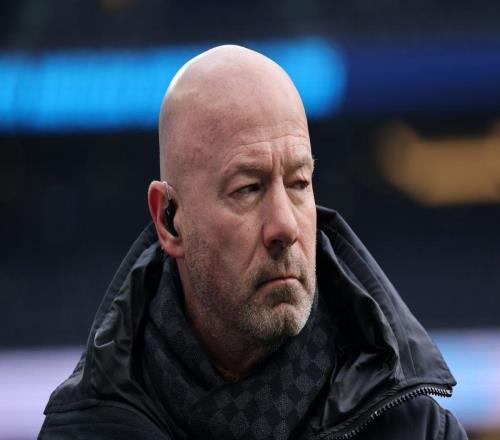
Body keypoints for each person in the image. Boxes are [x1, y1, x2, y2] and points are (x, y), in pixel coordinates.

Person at [38, 45, 467, 439]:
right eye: (247, 188)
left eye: (299, 183)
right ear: (169, 220)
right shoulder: (85, 432)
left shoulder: (416, 429)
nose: (285, 226)